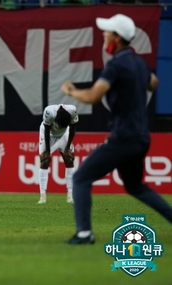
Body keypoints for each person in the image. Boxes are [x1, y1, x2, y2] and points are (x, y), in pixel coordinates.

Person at [61, 14, 172, 244]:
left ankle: (84, 233)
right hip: (141, 136)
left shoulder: (117, 65)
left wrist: (71, 91)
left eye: (107, 32)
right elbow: (154, 82)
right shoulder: (139, 63)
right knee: (136, 186)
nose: (104, 34)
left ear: (117, 38)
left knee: (81, 178)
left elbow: (92, 96)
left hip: (124, 137)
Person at [37, 104, 78, 204]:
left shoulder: (72, 111)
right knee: (45, 160)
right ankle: (42, 197)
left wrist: (68, 147)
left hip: (64, 135)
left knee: (69, 159)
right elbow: (47, 129)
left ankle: (70, 196)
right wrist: (47, 150)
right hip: (48, 135)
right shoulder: (49, 112)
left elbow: (72, 128)